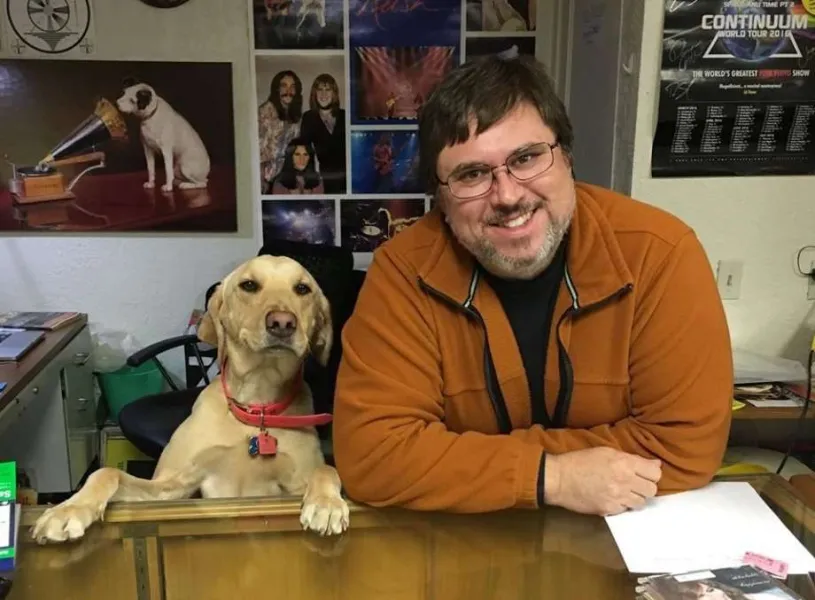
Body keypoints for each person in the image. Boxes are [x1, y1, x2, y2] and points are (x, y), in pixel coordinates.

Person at [331, 54, 733, 517]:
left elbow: (685, 447)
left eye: (526, 158)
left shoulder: (659, 253)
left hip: (626, 535)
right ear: (440, 198)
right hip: (463, 544)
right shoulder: (403, 271)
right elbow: (372, 455)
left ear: (567, 157)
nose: (507, 196)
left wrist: (456, 461)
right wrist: (553, 477)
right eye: (472, 174)